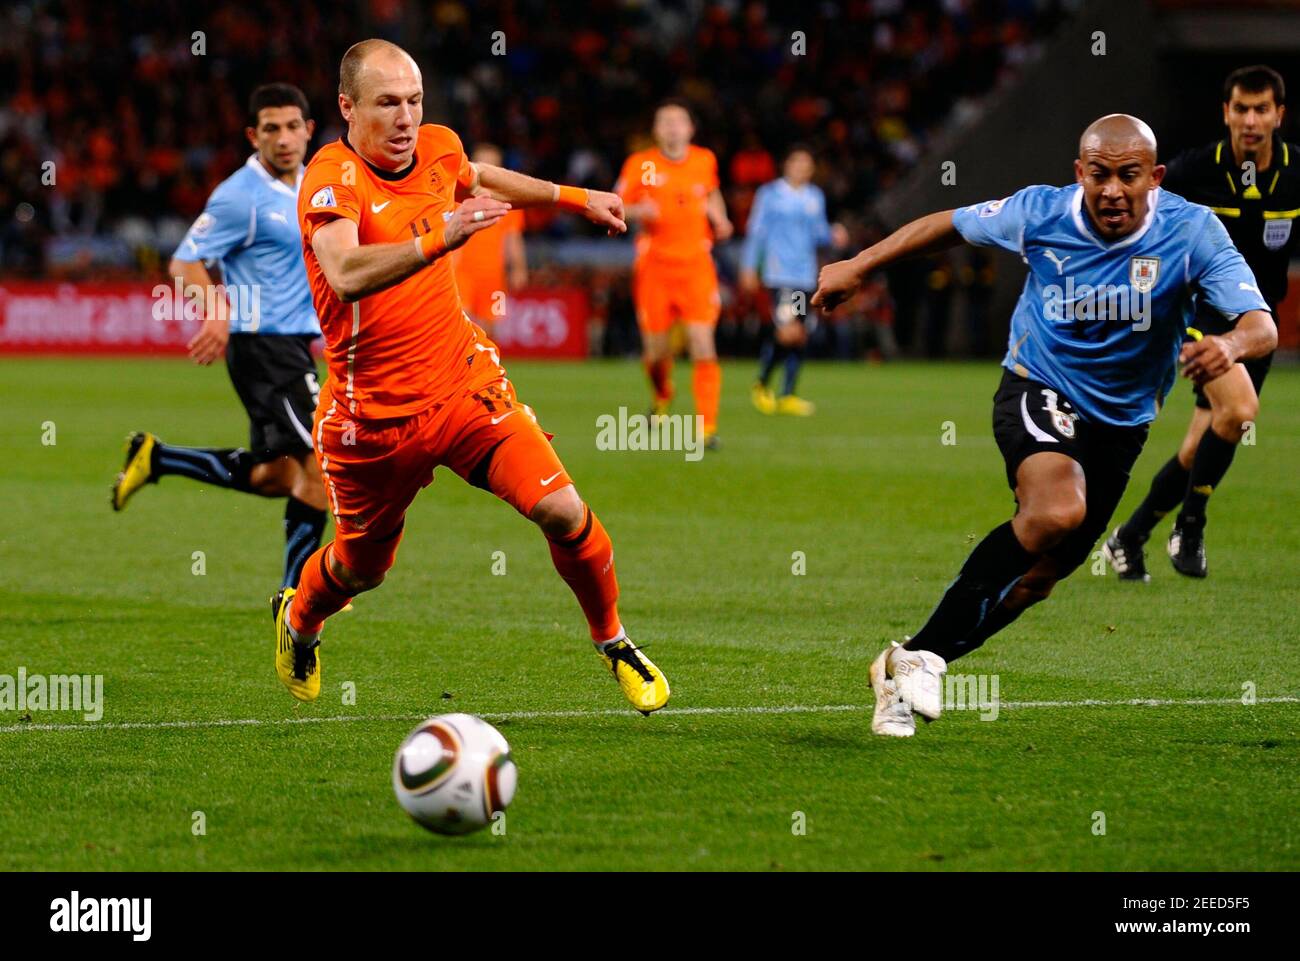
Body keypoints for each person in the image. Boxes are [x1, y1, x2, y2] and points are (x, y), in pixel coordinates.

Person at [813, 115, 1276, 737]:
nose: (1113, 190)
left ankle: (911, 660)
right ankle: (922, 661)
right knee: (1057, 509)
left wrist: (1229, 344)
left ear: (1155, 178)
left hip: (1121, 424)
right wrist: (860, 264)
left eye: (1129, 176)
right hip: (1039, 385)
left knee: (1037, 581)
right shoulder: (1040, 213)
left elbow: (1260, 324)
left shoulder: (1191, 231)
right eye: (1100, 175)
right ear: (1080, 173)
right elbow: (947, 225)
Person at [276, 39, 669, 716]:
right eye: (387, 103)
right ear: (347, 107)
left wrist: (578, 199)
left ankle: (615, 642)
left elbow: (478, 175)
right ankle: (299, 620)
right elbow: (343, 272)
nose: (406, 118)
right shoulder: (331, 176)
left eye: (415, 100)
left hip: (461, 383)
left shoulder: (437, 146)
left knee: (563, 509)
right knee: (359, 568)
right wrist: (441, 235)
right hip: (372, 419)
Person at [112, 83, 329, 593]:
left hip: (294, 345)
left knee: (278, 477)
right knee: (323, 464)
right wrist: (216, 310)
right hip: (262, 346)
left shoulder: (313, 183)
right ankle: (297, 599)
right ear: (253, 135)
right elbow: (184, 261)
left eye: (292, 127)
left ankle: (158, 457)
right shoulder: (239, 196)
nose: (283, 139)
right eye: (271, 129)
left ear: (308, 131)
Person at [1106, 65, 1298, 579]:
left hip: (1256, 324)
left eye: (1261, 109)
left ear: (1279, 115)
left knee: (1200, 445)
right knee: (1239, 411)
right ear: (1226, 114)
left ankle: (1130, 536)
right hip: (1196, 313)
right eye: (1241, 108)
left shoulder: (1296, 174)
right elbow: (1136, 214)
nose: (1250, 120)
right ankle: (1190, 526)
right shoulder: (1194, 171)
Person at [616, 100, 733, 448]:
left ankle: (707, 427)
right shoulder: (641, 164)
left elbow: (711, 194)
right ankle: (663, 393)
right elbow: (617, 204)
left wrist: (720, 217)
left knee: (702, 344)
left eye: (678, 121)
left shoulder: (704, 160)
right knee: (655, 353)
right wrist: (639, 210)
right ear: (656, 130)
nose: (672, 127)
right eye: (664, 121)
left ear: (690, 129)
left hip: (696, 265)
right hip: (655, 267)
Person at [740, 144, 847, 416]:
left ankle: (788, 394)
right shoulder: (771, 194)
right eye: (796, 162)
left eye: (806, 163)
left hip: (804, 275)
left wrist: (834, 233)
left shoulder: (814, 197)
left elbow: (819, 233)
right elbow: (757, 232)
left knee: (798, 335)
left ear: (811, 169)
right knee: (788, 331)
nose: (801, 168)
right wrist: (750, 266)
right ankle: (762, 384)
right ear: (786, 166)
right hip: (780, 274)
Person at [451, 143, 528, 337]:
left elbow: (513, 238)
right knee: (461, 326)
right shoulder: (458, 198)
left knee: (491, 330)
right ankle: (463, 367)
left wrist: (519, 267)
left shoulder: (510, 203)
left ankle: (488, 366)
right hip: (462, 273)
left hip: (494, 276)